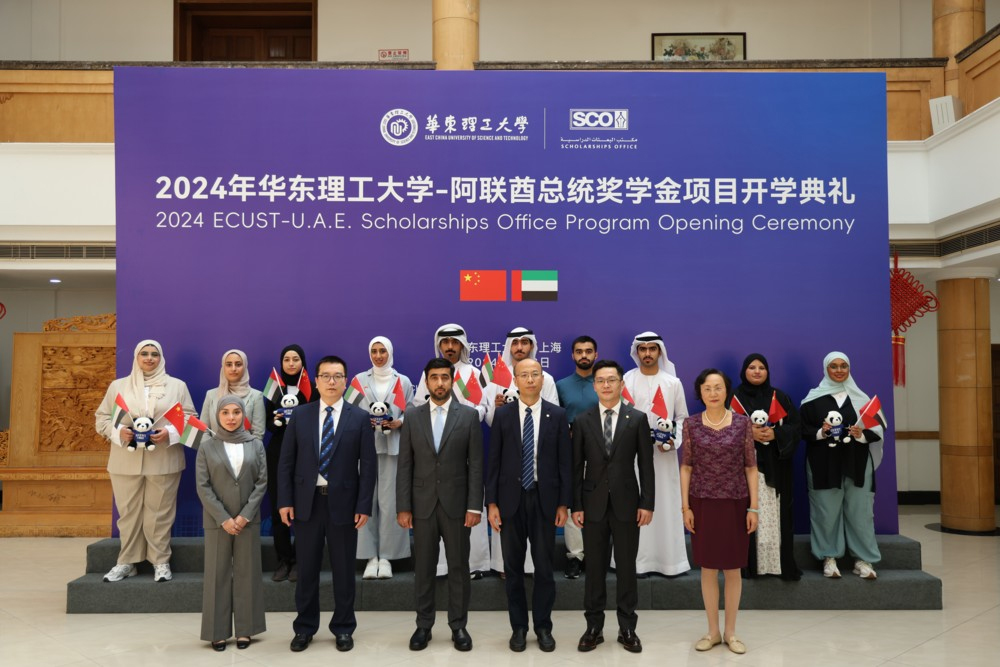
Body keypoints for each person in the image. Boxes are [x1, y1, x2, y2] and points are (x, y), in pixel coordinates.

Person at [277, 355, 377, 653]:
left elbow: (368, 466)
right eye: (326, 376)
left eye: (337, 376)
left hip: (344, 505)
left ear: (346, 381)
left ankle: (344, 627)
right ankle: (304, 627)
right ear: (317, 381)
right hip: (306, 504)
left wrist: (364, 505)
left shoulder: (359, 418)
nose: (332, 382)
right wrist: (285, 500)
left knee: (344, 571)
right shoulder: (301, 415)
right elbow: (286, 462)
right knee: (306, 570)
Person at [396, 357, 483, 652]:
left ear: (452, 379)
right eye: (434, 377)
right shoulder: (412, 416)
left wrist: (474, 506)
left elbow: (476, 466)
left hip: (457, 506)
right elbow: (405, 465)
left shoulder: (468, 416)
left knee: (458, 567)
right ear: (427, 381)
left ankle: (458, 626)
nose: (440, 383)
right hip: (422, 506)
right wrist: (403, 506)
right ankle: (423, 625)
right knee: (424, 568)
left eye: (445, 377)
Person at [486, 358, 572, 652]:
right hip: (510, 501)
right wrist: (491, 503)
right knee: (513, 569)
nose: (531, 379)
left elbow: (565, 462)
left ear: (542, 378)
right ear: (515, 379)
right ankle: (519, 628)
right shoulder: (504, 415)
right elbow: (494, 461)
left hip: (544, 500)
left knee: (544, 568)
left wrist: (563, 503)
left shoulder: (557, 415)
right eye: (524, 375)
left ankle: (543, 627)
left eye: (536, 374)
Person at [95, 339, 196, 583]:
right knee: (128, 513)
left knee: (159, 513)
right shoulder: (118, 386)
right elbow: (102, 419)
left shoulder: (177, 386)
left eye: (154, 354)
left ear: (161, 358)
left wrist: (169, 433)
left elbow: (190, 418)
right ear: (136, 357)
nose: (149, 358)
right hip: (125, 461)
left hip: (164, 459)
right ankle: (126, 562)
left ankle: (160, 561)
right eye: (144, 354)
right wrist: (119, 432)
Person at [572, 360, 654, 654]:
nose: (606, 385)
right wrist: (576, 505)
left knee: (626, 567)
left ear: (621, 384)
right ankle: (593, 627)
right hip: (592, 505)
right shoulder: (582, 420)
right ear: (594, 386)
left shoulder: (637, 418)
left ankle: (627, 627)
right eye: (600, 380)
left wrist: (647, 503)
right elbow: (575, 467)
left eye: (611, 380)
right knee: (594, 568)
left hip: (627, 505)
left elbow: (646, 465)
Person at [680, 369, 758, 655]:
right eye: (707, 388)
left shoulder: (742, 423)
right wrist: (685, 507)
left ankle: (731, 632)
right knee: (708, 568)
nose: (713, 393)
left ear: (727, 390)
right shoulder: (690, 424)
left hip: (735, 502)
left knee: (733, 568)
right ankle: (712, 632)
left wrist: (753, 507)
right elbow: (686, 466)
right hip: (702, 502)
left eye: (718, 387)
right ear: (700, 392)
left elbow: (751, 467)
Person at [412, 323, 490, 577]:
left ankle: (476, 565)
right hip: (434, 452)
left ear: (462, 345)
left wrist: (467, 417)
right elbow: (418, 405)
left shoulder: (474, 373)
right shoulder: (430, 374)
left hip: (464, 447)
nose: (449, 347)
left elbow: (484, 406)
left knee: (469, 506)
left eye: (454, 342)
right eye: (445, 342)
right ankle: (441, 567)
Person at [800, 352, 884, 580]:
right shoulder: (812, 400)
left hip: (857, 462)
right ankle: (829, 557)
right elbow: (802, 430)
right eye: (834, 366)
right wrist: (821, 432)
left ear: (849, 368)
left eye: (843, 366)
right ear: (826, 369)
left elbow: (877, 430)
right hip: (822, 464)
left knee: (861, 512)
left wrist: (861, 434)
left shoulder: (862, 399)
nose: (839, 370)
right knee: (825, 511)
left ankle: (863, 559)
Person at [485, 326, 560, 575]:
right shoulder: (498, 377)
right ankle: (504, 567)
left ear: (532, 346)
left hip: (541, 481)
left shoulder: (546, 379)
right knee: (511, 554)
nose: (519, 347)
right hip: (510, 481)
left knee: (543, 556)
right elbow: (492, 423)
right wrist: (498, 409)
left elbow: (553, 417)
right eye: (515, 343)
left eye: (524, 343)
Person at [195, 395, 267, 651]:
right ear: (217, 415)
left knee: (248, 573)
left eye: (236, 412)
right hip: (218, 522)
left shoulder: (255, 444)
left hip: (248, 520)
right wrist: (224, 518)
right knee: (217, 574)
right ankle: (217, 632)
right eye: (225, 412)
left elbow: (261, 482)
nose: (231, 417)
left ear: (243, 415)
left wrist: (244, 515)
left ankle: (246, 630)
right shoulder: (207, 446)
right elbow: (203, 486)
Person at [621, 332, 690, 577]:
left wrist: (672, 441)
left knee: (664, 504)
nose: (648, 353)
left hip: (663, 456)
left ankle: (669, 562)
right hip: (631, 456)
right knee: (633, 503)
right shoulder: (626, 380)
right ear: (637, 352)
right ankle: (636, 562)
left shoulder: (673, 383)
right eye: (643, 349)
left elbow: (682, 417)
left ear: (660, 351)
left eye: (652, 348)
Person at [732, 353, 802, 580]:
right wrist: (748, 433)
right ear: (744, 371)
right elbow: (719, 428)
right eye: (752, 367)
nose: (757, 371)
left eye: (761, 367)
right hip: (743, 469)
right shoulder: (733, 398)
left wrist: (776, 434)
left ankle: (776, 565)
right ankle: (749, 565)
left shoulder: (779, 397)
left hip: (775, 468)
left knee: (775, 516)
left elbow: (796, 428)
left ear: (767, 372)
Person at [353, 336, 413, 579]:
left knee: (390, 503)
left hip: (393, 447)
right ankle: (370, 556)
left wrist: (400, 422)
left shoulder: (403, 381)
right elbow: (349, 410)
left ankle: (387, 556)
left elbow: (412, 411)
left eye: (382, 351)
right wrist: (362, 422)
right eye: (374, 351)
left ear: (390, 352)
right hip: (364, 448)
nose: (378, 356)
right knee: (365, 501)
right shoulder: (358, 380)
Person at [264, 344, 317, 583]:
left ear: (303, 362)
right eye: (287, 359)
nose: (291, 363)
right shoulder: (274, 388)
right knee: (280, 509)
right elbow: (267, 424)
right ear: (281, 363)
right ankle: (284, 560)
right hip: (278, 453)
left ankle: (300, 560)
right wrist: (276, 420)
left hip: (305, 454)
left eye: (296, 359)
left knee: (304, 510)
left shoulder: (313, 388)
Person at [554, 335, 599, 578]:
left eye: (588, 351)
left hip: (601, 451)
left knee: (597, 501)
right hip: (570, 451)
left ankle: (596, 554)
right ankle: (575, 555)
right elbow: (554, 418)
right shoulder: (561, 385)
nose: (584, 355)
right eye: (579, 351)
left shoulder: (604, 382)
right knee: (573, 501)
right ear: (572, 355)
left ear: (596, 355)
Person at [200, 349, 266, 439]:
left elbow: (258, 434)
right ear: (223, 367)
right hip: (214, 447)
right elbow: (203, 430)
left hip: (245, 447)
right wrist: (212, 447)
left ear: (245, 367)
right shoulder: (211, 394)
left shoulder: (256, 396)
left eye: (238, 364)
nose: (233, 368)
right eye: (229, 364)